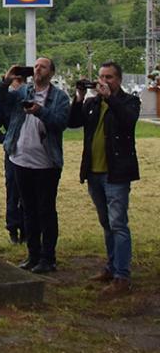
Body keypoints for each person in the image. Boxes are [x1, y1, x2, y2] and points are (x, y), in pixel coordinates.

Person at [68, 61, 140, 294]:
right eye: (101, 77)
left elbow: (128, 121)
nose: (103, 82)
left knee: (118, 223)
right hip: (94, 172)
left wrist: (111, 98)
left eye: (109, 77)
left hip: (116, 173)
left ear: (118, 79)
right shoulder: (93, 103)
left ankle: (122, 276)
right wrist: (79, 97)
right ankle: (111, 266)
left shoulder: (129, 101)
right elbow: (73, 123)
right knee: (106, 223)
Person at [0, 58, 70, 274]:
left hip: (46, 163)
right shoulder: (23, 91)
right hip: (20, 159)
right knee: (28, 210)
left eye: (43, 66)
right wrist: (6, 81)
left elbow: (60, 123)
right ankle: (33, 255)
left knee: (45, 211)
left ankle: (48, 258)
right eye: (36, 66)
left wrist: (39, 111)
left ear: (52, 72)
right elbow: (2, 100)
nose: (38, 69)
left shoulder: (60, 97)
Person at [0, 76, 25, 244]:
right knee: (13, 190)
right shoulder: (4, 101)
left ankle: (27, 229)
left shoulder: (32, 94)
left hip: (33, 150)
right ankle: (13, 229)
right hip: (13, 150)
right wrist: (6, 138)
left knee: (29, 192)